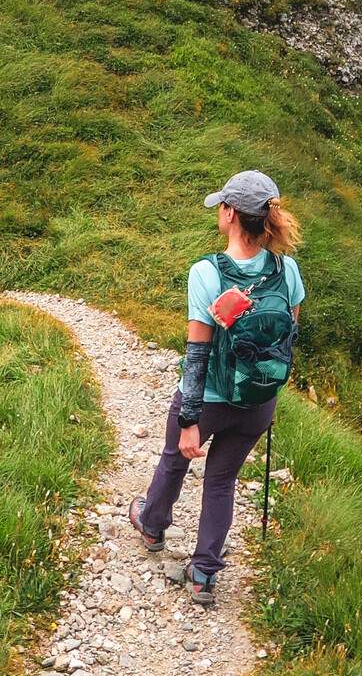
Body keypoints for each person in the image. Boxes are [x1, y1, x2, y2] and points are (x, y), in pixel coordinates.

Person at [128, 169, 304, 605]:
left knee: (174, 460)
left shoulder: (207, 272)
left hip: (209, 399)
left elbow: (197, 353)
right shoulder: (288, 270)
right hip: (258, 402)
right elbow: (287, 338)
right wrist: (267, 394)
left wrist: (190, 420)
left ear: (229, 213)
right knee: (221, 481)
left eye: (221, 206)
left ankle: (152, 527)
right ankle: (204, 574)